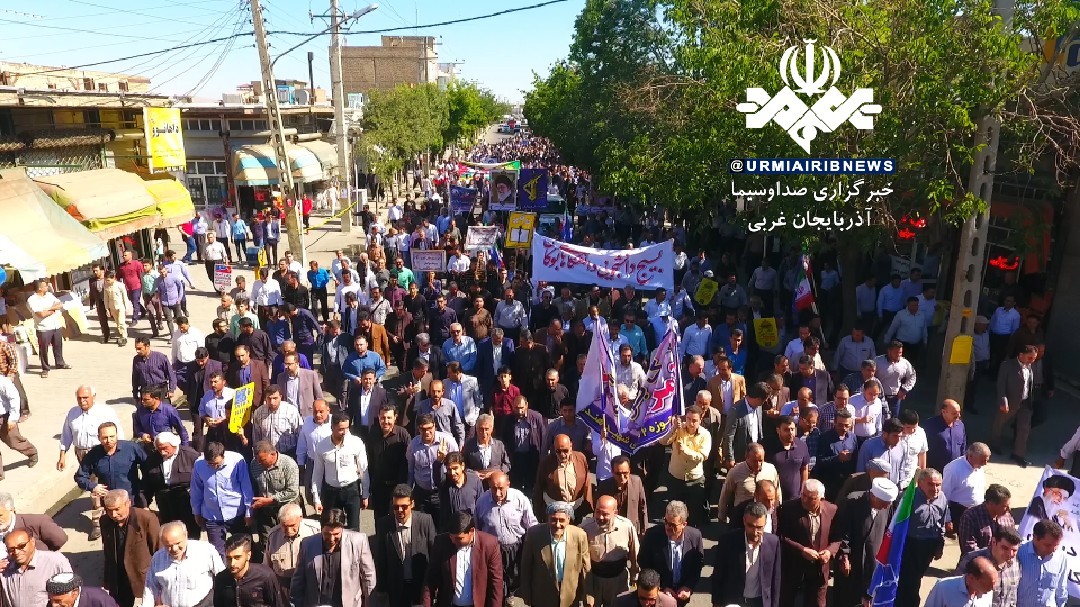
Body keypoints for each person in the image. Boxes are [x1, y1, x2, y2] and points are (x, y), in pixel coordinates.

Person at [829, 477, 899, 607]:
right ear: (873, 497)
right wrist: (844, 555)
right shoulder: (852, 502)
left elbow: (888, 530)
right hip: (852, 559)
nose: (887, 506)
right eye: (884, 503)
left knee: (868, 594)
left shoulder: (887, 506)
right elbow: (842, 531)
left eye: (889, 503)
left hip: (873, 559)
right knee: (846, 595)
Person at [291, 508, 377, 607]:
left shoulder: (359, 541)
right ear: (321, 529)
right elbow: (298, 580)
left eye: (336, 534)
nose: (331, 539)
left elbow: (369, 576)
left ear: (342, 529)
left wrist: (370, 603)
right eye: (327, 534)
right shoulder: (307, 544)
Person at [475, 470, 538, 606]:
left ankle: (511, 594)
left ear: (508, 484)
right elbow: (478, 528)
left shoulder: (520, 499)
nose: (498, 493)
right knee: (495, 577)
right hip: (493, 549)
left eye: (501, 488)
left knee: (514, 574)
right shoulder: (482, 502)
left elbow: (531, 523)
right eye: (494, 489)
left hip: (515, 546)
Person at [776, 479, 838, 607]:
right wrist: (802, 550)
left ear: (820, 498)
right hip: (793, 568)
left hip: (819, 570)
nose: (804, 500)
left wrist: (829, 552)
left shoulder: (831, 510)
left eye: (811, 498)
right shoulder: (788, 509)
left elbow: (837, 537)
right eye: (803, 495)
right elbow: (781, 536)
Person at [372, 484, 437, 607]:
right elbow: (381, 559)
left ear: (412, 504)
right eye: (396, 507)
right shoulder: (384, 524)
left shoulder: (425, 521)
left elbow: (434, 554)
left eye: (404, 506)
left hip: (420, 585)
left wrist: (434, 584)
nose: (400, 510)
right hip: (396, 588)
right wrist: (381, 588)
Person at [422, 512, 504, 607]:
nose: (453, 541)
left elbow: (496, 583)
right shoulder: (441, 543)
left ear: (472, 531)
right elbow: (431, 579)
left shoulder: (489, 544)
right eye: (451, 537)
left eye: (459, 538)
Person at [896, 469, 951, 607]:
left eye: (938, 485)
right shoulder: (908, 498)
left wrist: (940, 545)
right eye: (931, 484)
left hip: (929, 545)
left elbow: (941, 522)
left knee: (917, 576)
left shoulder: (942, 497)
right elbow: (897, 524)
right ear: (920, 483)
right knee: (909, 580)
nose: (935, 489)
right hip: (910, 545)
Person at [711, 501, 782, 607]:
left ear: (765, 523)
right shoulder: (728, 541)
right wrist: (717, 603)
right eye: (751, 526)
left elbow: (775, 580)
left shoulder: (773, 543)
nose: (755, 532)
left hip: (761, 602)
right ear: (744, 520)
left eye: (759, 527)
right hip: (734, 601)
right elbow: (718, 575)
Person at [520, 501, 590, 607]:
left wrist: (587, 596)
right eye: (553, 519)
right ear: (547, 519)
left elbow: (585, 568)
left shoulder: (579, 535)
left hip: (570, 597)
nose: (557, 525)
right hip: (542, 597)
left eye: (561, 520)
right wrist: (526, 594)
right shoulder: (534, 534)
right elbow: (526, 567)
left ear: (568, 520)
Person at [191, 442, 254, 557]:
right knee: (217, 554)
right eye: (210, 464)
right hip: (212, 515)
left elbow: (246, 487)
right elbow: (196, 490)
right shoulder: (199, 464)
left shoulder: (237, 461)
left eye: (217, 464)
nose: (214, 467)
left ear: (223, 456)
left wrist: (248, 512)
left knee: (242, 549)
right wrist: (197, 512)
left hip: (236, 514)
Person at [100, 488, 159, 607]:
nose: (113, 515)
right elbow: (108, 552)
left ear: (128, 504)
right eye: (109, 510)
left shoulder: (146, 519)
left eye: (117, 509)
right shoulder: (105, 521)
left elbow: (158, 550)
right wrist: (107, 579)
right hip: (118, 576)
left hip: (141, 574)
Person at [637, 501, 704, 606]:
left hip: (682, 595)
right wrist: (662, 586)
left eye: (673, 525)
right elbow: (644, 563)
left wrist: (688, 586)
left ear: (684, 524)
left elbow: (697, 565)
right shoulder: (652, 535)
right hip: (659, 594)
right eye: (666, 522)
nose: (668, 527)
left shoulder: (695, 536)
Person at [311, 413, 369, 532]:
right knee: (331, 528)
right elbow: (317, 473)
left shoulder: (356, 443)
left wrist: (365, 494)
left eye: (347, 428)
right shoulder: (322, 446)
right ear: (332, 427)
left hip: (351, 491)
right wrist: (316, 498)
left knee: (354, 530)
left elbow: (363, 469)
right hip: (331, 493)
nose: (345, 432)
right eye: (341, 429)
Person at [144, 521, 224, 607]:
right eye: (168, 545)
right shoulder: (158, 558)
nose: (174, 549)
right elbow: (150, 586)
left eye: (178, 543)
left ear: (186, 535)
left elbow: (223, 578)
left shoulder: (205, 550)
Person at [581, 495, 640, 607]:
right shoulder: (585, 528)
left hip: (618, 580)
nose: (600, 517)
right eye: (597, 512)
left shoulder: (626, 527)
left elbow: (634, 554)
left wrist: (634, 576)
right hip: (595, 580)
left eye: (605, 514)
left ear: (615, 513)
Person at [141, 432, 201, 539]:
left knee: (190, 533)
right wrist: (145, 505)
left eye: (165, 448)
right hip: (165, 503)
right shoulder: (152, 459)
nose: (162, 452)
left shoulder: (191, 456)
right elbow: (147, 484)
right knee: (169, 534)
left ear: (174, 445)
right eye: (159, 449)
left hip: (186, 501)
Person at [659, 406, 711, 527]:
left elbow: (702, 456)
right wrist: (673, 429)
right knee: (675, 512)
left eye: (694, 420)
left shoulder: (705, 435)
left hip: (695, 480)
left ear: (700, 420)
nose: (691, 423)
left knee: (695, 512)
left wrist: (685, 450)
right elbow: (663, 441)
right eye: (688, 419)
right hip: (676, 478)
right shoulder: (678, 429)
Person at [992, 344, 1039, 467]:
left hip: (1025, 402)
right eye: (1030, 357)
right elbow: (1001, 384)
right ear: (1021, 355)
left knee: (1024, 429)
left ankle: (1019, 455)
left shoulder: (1030, 367)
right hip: (1010, 401)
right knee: (1000, 423)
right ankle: (995, 444)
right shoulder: (1007, 366)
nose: (1032, 360)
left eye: (1034, 358)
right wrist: (1003, 400)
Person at [213, 534, 288, 607]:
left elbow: (277, 603)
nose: (232, 563)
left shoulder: (265, 576)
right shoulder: (221, 579)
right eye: (229, 558)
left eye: (237, 557)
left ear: (248, 555)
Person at [956, 526, 1022, 607]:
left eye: (1014, 550)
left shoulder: (1015, 564)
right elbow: (957, 591)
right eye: (1005, 548)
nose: (1010, 554)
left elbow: (1012, 597)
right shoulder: (971, 560)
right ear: (994, 542)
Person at [249, 441, 301, 545]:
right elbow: (254, 486)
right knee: (267, 540)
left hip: (286, 506)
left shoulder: (289, 464)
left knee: (289, 537)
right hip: (265, 509)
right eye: (257, 459)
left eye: (262, 460)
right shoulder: (254, 464)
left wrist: (271, 500)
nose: (259, 463)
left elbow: (292, 492)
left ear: (273, 454)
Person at [534, 434, 594, 522]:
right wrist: (538, 513)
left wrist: (587, 505)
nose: (562, 454)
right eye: (558, 451)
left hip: (576, 510)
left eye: (565, 450)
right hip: (555, 513)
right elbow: (539, 488)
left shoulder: (581, 458)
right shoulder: (546, 462)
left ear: (571, 447)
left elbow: (587, 482)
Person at [262, 503, 320, 588]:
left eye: (292, 525)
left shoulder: (314, 531)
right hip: (282, 584)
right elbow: (267, 566)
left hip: (308, 582)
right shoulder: (273, 535)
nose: (288, 530)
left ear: (300, 518)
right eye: (284, 526)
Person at [942, 442, 991, 533]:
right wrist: (947, 519)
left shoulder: (979, 467)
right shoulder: (953, 469)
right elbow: (944, 496)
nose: (985, 464)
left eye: (987, 460)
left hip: (977, 512)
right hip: (959, 513)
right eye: (982, 461)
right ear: (970, 456)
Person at [26, 278, 70, 377]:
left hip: (55, 325)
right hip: (43, 327)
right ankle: (45, 368)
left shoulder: (49, 295)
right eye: (45, 286)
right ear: (40, 288)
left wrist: (49, 309)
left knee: (58, 345)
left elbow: (60, 304)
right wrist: (53, 309)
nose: (47, 287)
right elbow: (41, 314)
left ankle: (60, 363)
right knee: (44, 349)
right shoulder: (32, 300)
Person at [595, 456, 649, 536]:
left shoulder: (637, 482)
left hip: (632, 529)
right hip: (611, 530)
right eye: (618, 474)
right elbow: (598, 511)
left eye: (625, 473)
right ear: (612, 472)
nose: (622, 477)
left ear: (629, 470)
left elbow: (643, 508)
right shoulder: (604, 487)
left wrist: (644, 531)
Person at [957, 484, 1015, 557]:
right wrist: (990, 559)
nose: (1008, 509)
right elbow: (969, 548)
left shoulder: (1008, 517)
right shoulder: (970, 516)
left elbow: (1013, 541)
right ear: (991, 504)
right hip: (977, 561)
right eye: (1004, 506)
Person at [0, 493, 67, 551]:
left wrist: (45, 556)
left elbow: (60, 539)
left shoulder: (38, 522)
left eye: (0, 515)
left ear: (12, 511)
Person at [0, 373, 37, 477]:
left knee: (14, 441)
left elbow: (14, 397)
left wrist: (12, 418)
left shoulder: (3, 382)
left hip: (4, 418)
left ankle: (32, 452)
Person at [924, 556, 999, 607]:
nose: (992, 588)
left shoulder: (988, 592)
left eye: (994, 583)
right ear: (971, 578)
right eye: (987, 583)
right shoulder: (943, 588)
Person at [924, 399, 967, 474]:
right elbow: (923, 449)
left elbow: (962, 447)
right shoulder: (930, 425)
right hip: (936, 472)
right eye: (954, 413)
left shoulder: (960, 425)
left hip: (955, 471)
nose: (958, 416)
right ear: (944, 412)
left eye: (959, 412)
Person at [45, 572, 119, 607]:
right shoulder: (51, 605)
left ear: (74, 593)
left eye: (58, 601)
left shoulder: (100, 600)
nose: (54, 605)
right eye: (51, 600)